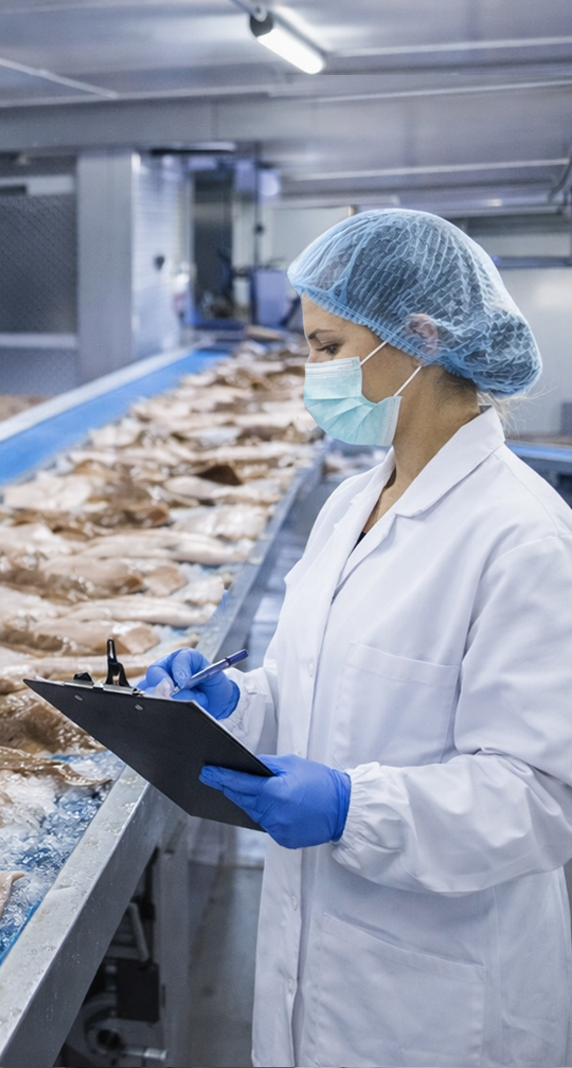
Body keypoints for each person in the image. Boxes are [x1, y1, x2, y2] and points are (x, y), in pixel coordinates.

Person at [145, 209, 572, 1067]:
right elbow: (323, 696)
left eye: (327, 347)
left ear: (415, 338)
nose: (313, 373)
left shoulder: (522, 537)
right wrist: (237, 703)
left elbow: (541, 796)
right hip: (313, 970)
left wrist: (354, 807)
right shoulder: (352, 506)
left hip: (438, 1003)